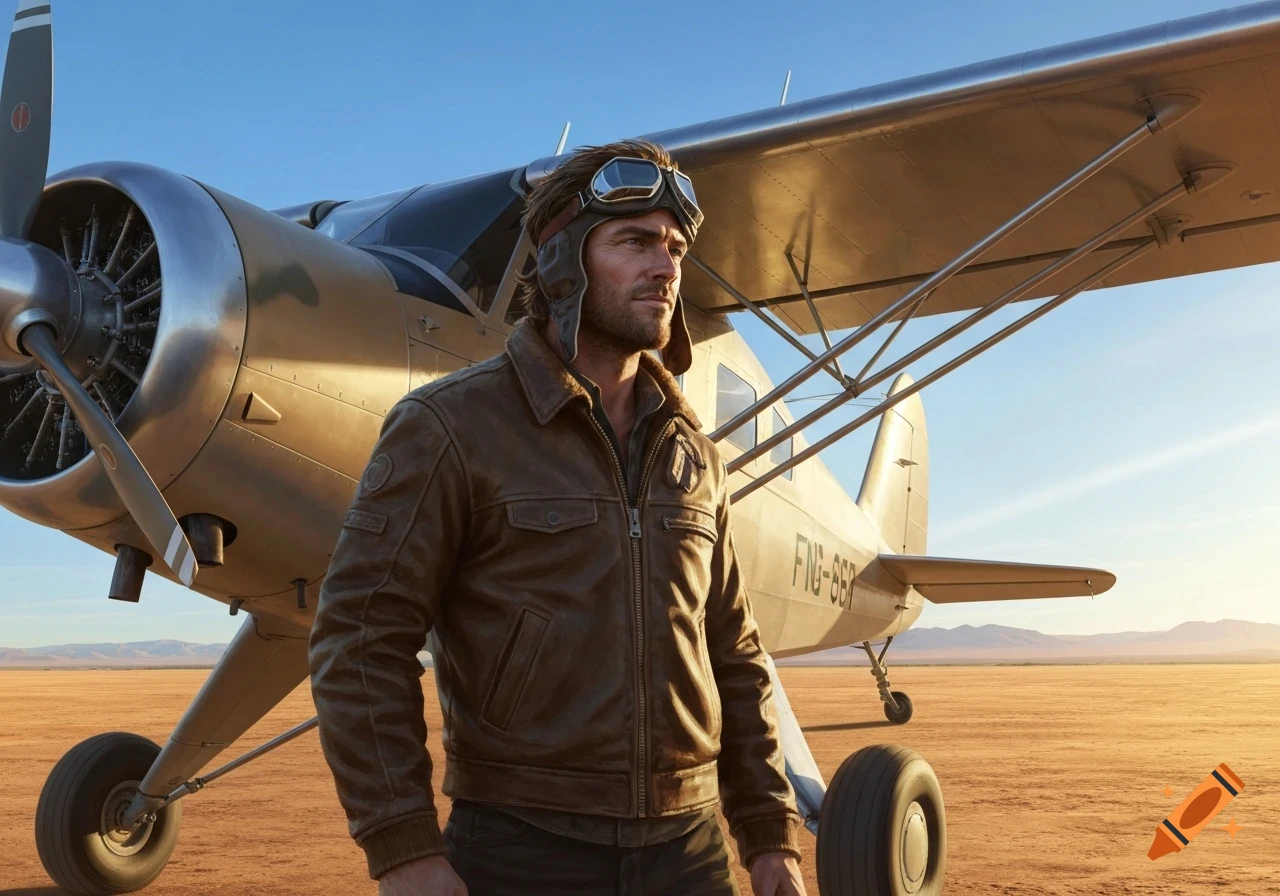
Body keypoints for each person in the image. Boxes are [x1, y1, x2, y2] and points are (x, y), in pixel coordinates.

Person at [309, 138, 806, 896]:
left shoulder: (694, 456)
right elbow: (361, 634)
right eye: (634, 241)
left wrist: (770, 834)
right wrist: (404, 848)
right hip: (521, 848)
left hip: (691, 852)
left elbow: (733, 654)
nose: (666, 267)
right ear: (564, 260)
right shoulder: (448, 427)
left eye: (673, 247)